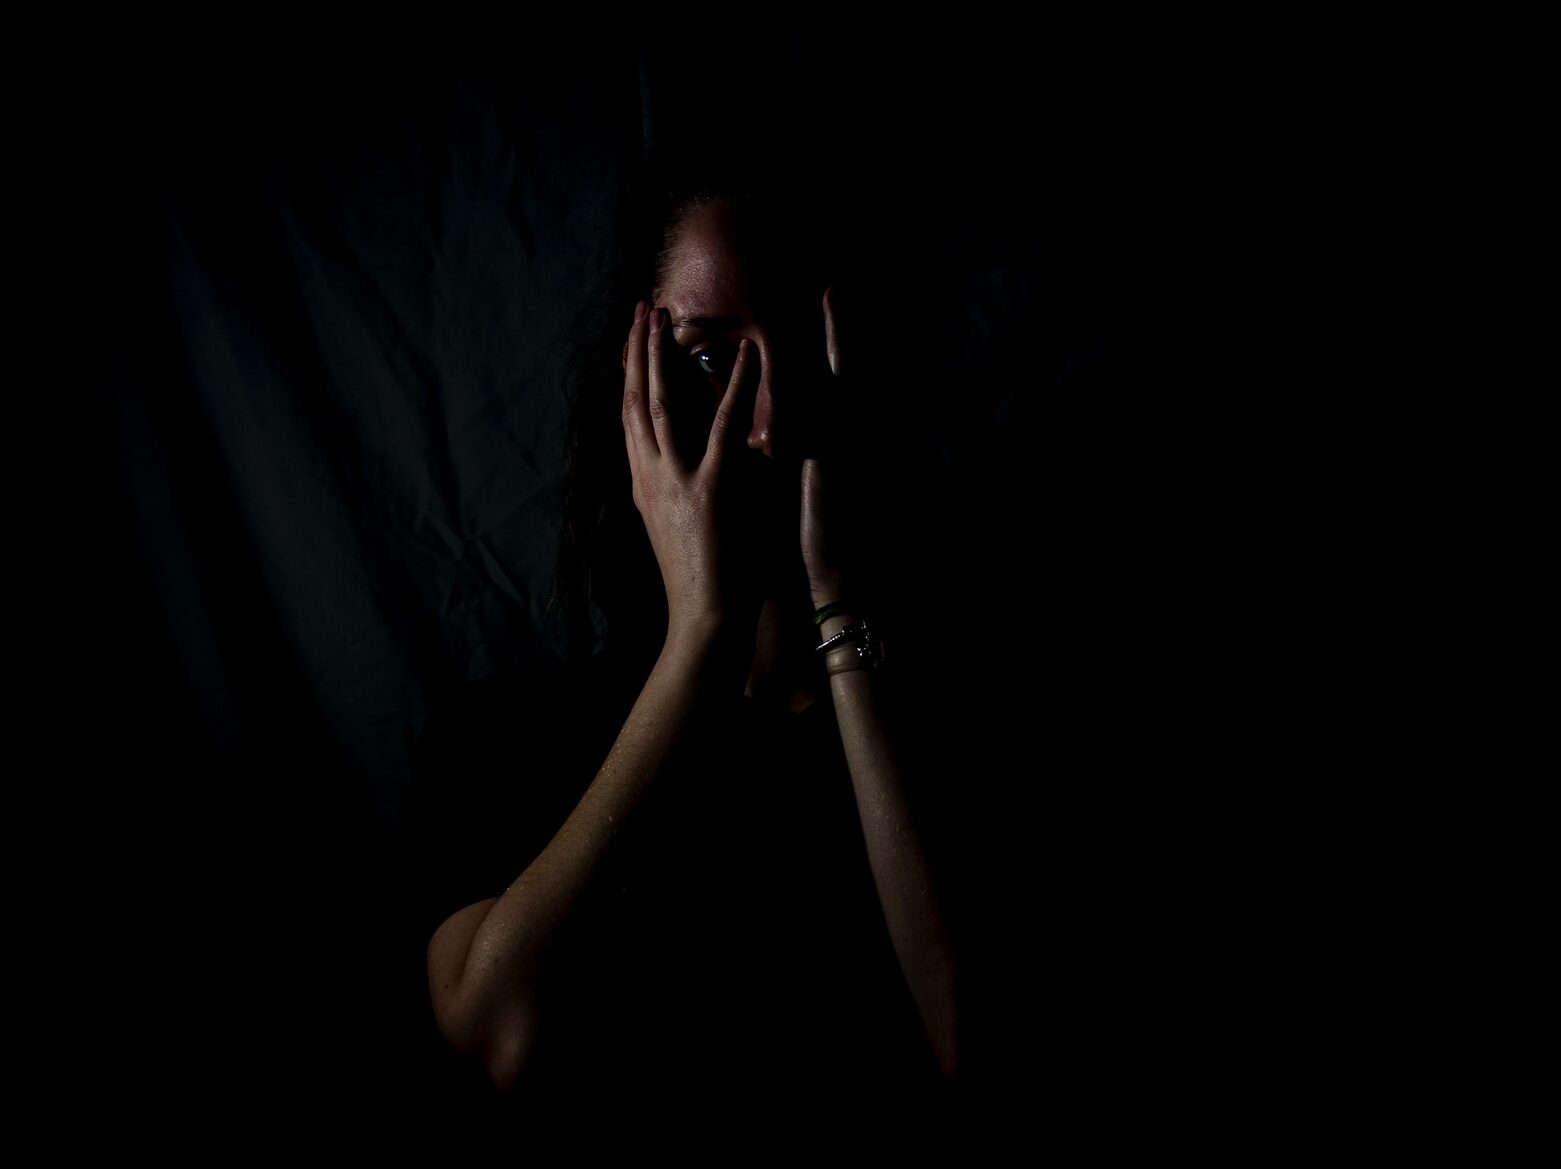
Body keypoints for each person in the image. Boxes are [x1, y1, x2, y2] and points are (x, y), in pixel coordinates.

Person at [405, 144, 964, 1144]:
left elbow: (969, 1056)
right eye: (709, 357)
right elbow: (490, 1029)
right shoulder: (509, 741)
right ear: (633, 388)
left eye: (801, 349)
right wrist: (699, 637)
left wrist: (836, 597)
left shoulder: (943, 726)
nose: (764, 420)